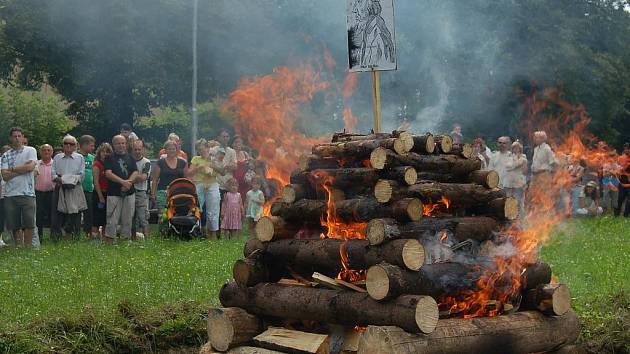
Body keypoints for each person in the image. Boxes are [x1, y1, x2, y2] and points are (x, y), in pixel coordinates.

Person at [1, 127, 37, 247]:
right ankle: (18, 246)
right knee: (14, 224)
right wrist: (23, 169)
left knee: (29, 222)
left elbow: (30, 167)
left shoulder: (30, 150)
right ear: (11, 138)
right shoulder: (6, 155)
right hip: (10, 193)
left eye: (19, 136)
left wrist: (12, 169)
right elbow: (5, 176)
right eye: (14, 136)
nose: (17, 138)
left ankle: (27, 247)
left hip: (27, 192)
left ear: (22, 137)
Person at [104, 135, 138, 244]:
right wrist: (122, 182)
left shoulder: (131, 157)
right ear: (114, 145)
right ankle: (109, 241)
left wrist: (129, 182)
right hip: (114, 193)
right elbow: (108, 173)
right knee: (112, 219)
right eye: (118, 143)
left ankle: (125, 241)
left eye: (123, 143)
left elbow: (135, 172)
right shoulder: (109, 158)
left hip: (129, 193)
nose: (121, 145)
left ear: (126, 144)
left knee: (127, 218)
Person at [52, 135, 87, 239]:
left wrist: (65, 178)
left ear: (75, 146)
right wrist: (65, 179)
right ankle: (56, 237)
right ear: (62, 145)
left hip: (74, 188)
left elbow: (81, 175)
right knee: (58, 213)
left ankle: (75, 236)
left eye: (71, 144)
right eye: (66, 143)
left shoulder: (80, 158)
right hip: (60, 187)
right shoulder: (57, 157)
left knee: (75, 213)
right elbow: (53, 174)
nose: (68, 146)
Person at [188, 139, 222, 239]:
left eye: (203, 149)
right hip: (199, 184)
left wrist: (211, 163)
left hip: (212, 184)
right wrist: (198, 168)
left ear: (208, 148)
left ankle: (213, 234)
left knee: (213, 210)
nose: (201, 152)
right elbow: (189, 173)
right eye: (199, 150)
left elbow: (222, 171)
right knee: (197, 208)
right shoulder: (195, 159)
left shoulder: (214, 158)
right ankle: (196, 232)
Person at [151, 140, 187, 219]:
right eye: (169, 149)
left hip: (178, 193)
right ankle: (163, 231)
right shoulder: (160, 162)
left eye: (173, 149)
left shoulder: (183, 162)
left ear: (176, 150)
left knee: (177, 215)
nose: (171, 150)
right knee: (162, 215)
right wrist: (153, 194)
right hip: (162, 192)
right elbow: (155, 180)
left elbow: (186, 179)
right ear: (165, 150)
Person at [92, 143, 112, 238]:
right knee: (97, 218)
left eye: (107, 151)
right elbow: (95, 182)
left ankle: (105, 238)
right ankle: (95, 238)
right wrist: (100, 197)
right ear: (99, 153)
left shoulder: (110, 164)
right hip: (99, 193)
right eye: (103, 151)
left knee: (106, 218)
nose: (105, 153)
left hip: (109, 193)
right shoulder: (97, 164)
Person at [131, 139, 151, 239]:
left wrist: (130, 179)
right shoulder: (128, 159)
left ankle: (147, 237)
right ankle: (133, 238)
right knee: (131, 216)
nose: (137, 151)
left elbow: (144, 177)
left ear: (142, 149)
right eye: (135, 149)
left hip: (141, 191)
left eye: (139, 149)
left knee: (143, 216)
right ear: (132, 149)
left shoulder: (146, 162)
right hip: (129, 191)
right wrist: (137, 177)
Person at [35, 144, 55, 239]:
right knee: (38, 215)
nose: (46, 152)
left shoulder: (55, 164)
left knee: (52, 215)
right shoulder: (36, 164)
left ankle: (53, 237)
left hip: (51, 193)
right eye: (44, 150)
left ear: (52, 152)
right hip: (38, 193)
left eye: (48, 150)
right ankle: (39, 237)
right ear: (40, 152)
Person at [504, 141, 528, 217]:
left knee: (519, 203)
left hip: (519, 183)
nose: (516, 149)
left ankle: (520, 222)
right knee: (508, 202)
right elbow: (507, 167)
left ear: (520, 148)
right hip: (509, 183)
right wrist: (518, 163)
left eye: (517, 147)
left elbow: (525, 171)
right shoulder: (509, 156)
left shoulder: (524, 157)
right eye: (514, 147)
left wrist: (521, 162)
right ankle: (510, 221)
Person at [78, 135, 96, 237]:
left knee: (89, 213)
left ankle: (87, 234)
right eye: (91, 145)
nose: (93, 148)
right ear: (84, 145)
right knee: (76, 212)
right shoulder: (76, 156)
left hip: (89, 189)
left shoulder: (92, 158)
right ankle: (75, 232)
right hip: (78, 189)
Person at [617, 142, 630, 217]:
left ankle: (626, 215)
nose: (626, 150)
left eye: (628, 149)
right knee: (619, 199)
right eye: (625, 149)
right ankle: (617, 214)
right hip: (622, 181)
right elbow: (618, 168)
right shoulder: (620, 158)